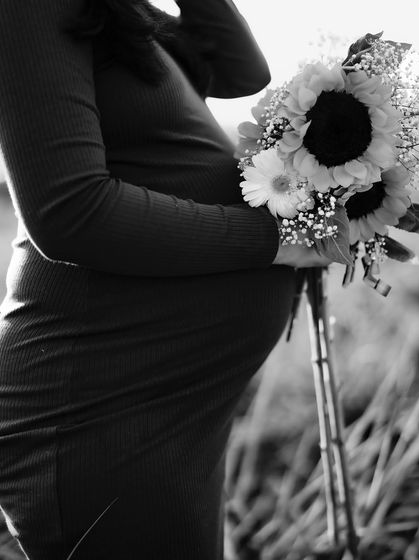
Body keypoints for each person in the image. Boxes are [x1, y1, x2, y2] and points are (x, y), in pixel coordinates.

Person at [0, 1, 330, 558]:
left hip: (170, 405)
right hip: (101, 410)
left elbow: (240, 70)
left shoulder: (111, 11)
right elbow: (71, 211)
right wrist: (275, 242)